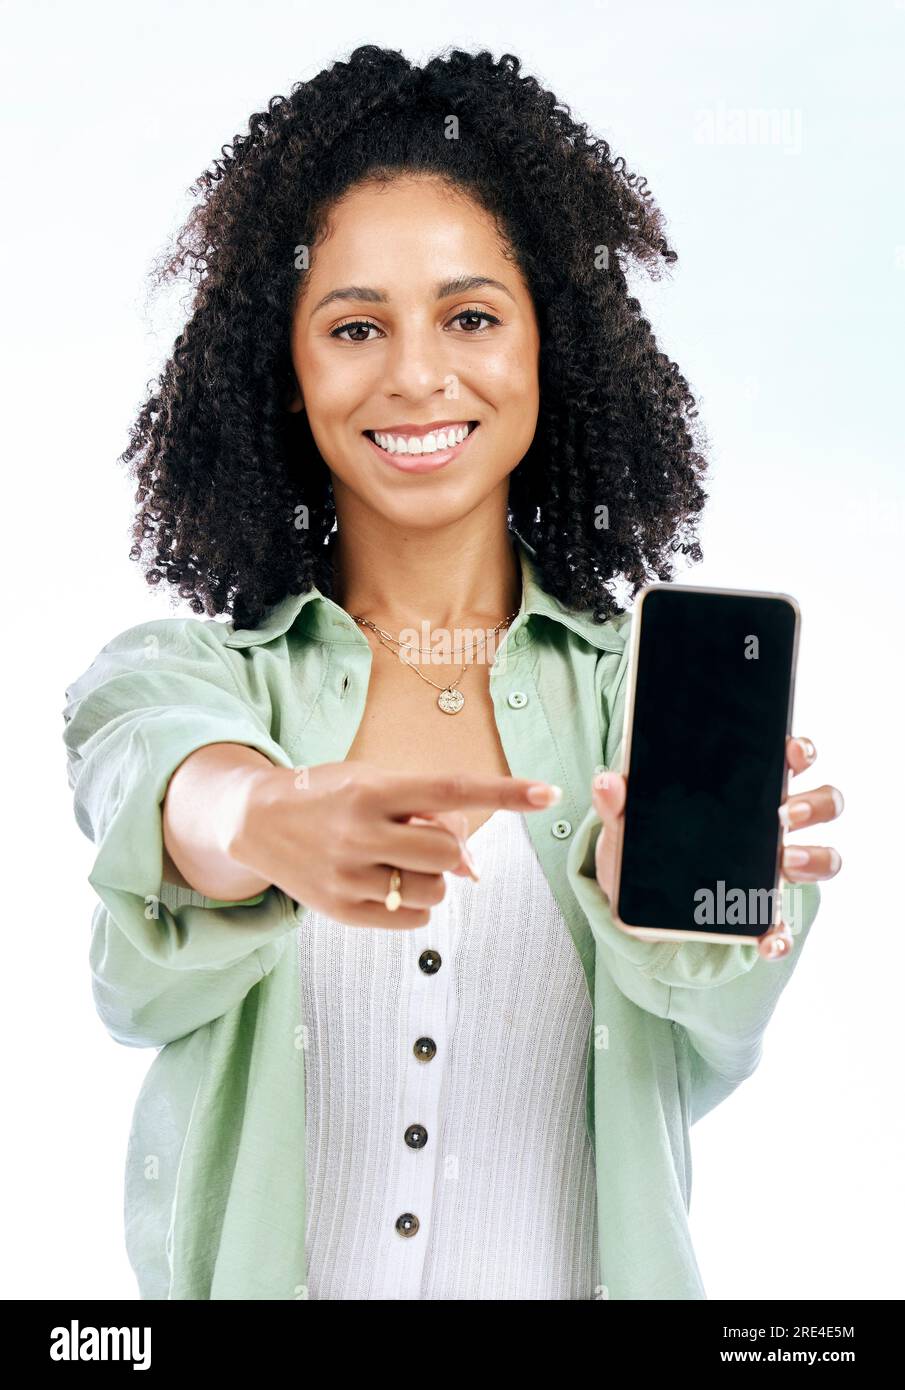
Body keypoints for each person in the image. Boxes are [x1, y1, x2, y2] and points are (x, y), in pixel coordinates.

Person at [62, 45, 843, 1300]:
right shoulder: (189, 678)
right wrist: (262, 819)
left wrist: (663, 894)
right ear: (285, 364)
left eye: (470, 316)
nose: (417, 375)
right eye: (355, 325)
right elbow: (166, 786)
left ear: (552, 343)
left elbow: (722, 1029)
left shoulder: (647, 706)